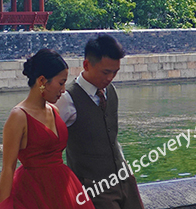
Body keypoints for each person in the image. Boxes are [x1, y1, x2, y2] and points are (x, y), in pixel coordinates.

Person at [0, 49, 95, 209]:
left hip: (65, 187)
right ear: (42, 81)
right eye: (60, 83)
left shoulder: (54, 110)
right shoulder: (19, 116)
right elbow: (8, 168)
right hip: (34, 191)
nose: (63, 90)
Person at [55, 34, 145, 209]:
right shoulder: (66, 99)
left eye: (115, 72)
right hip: (93, 188)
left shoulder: (111, 91)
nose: (110, 77)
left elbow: (111, 137)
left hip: (125, 181)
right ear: (86, 65)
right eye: (106, 72)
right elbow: (50, 145)